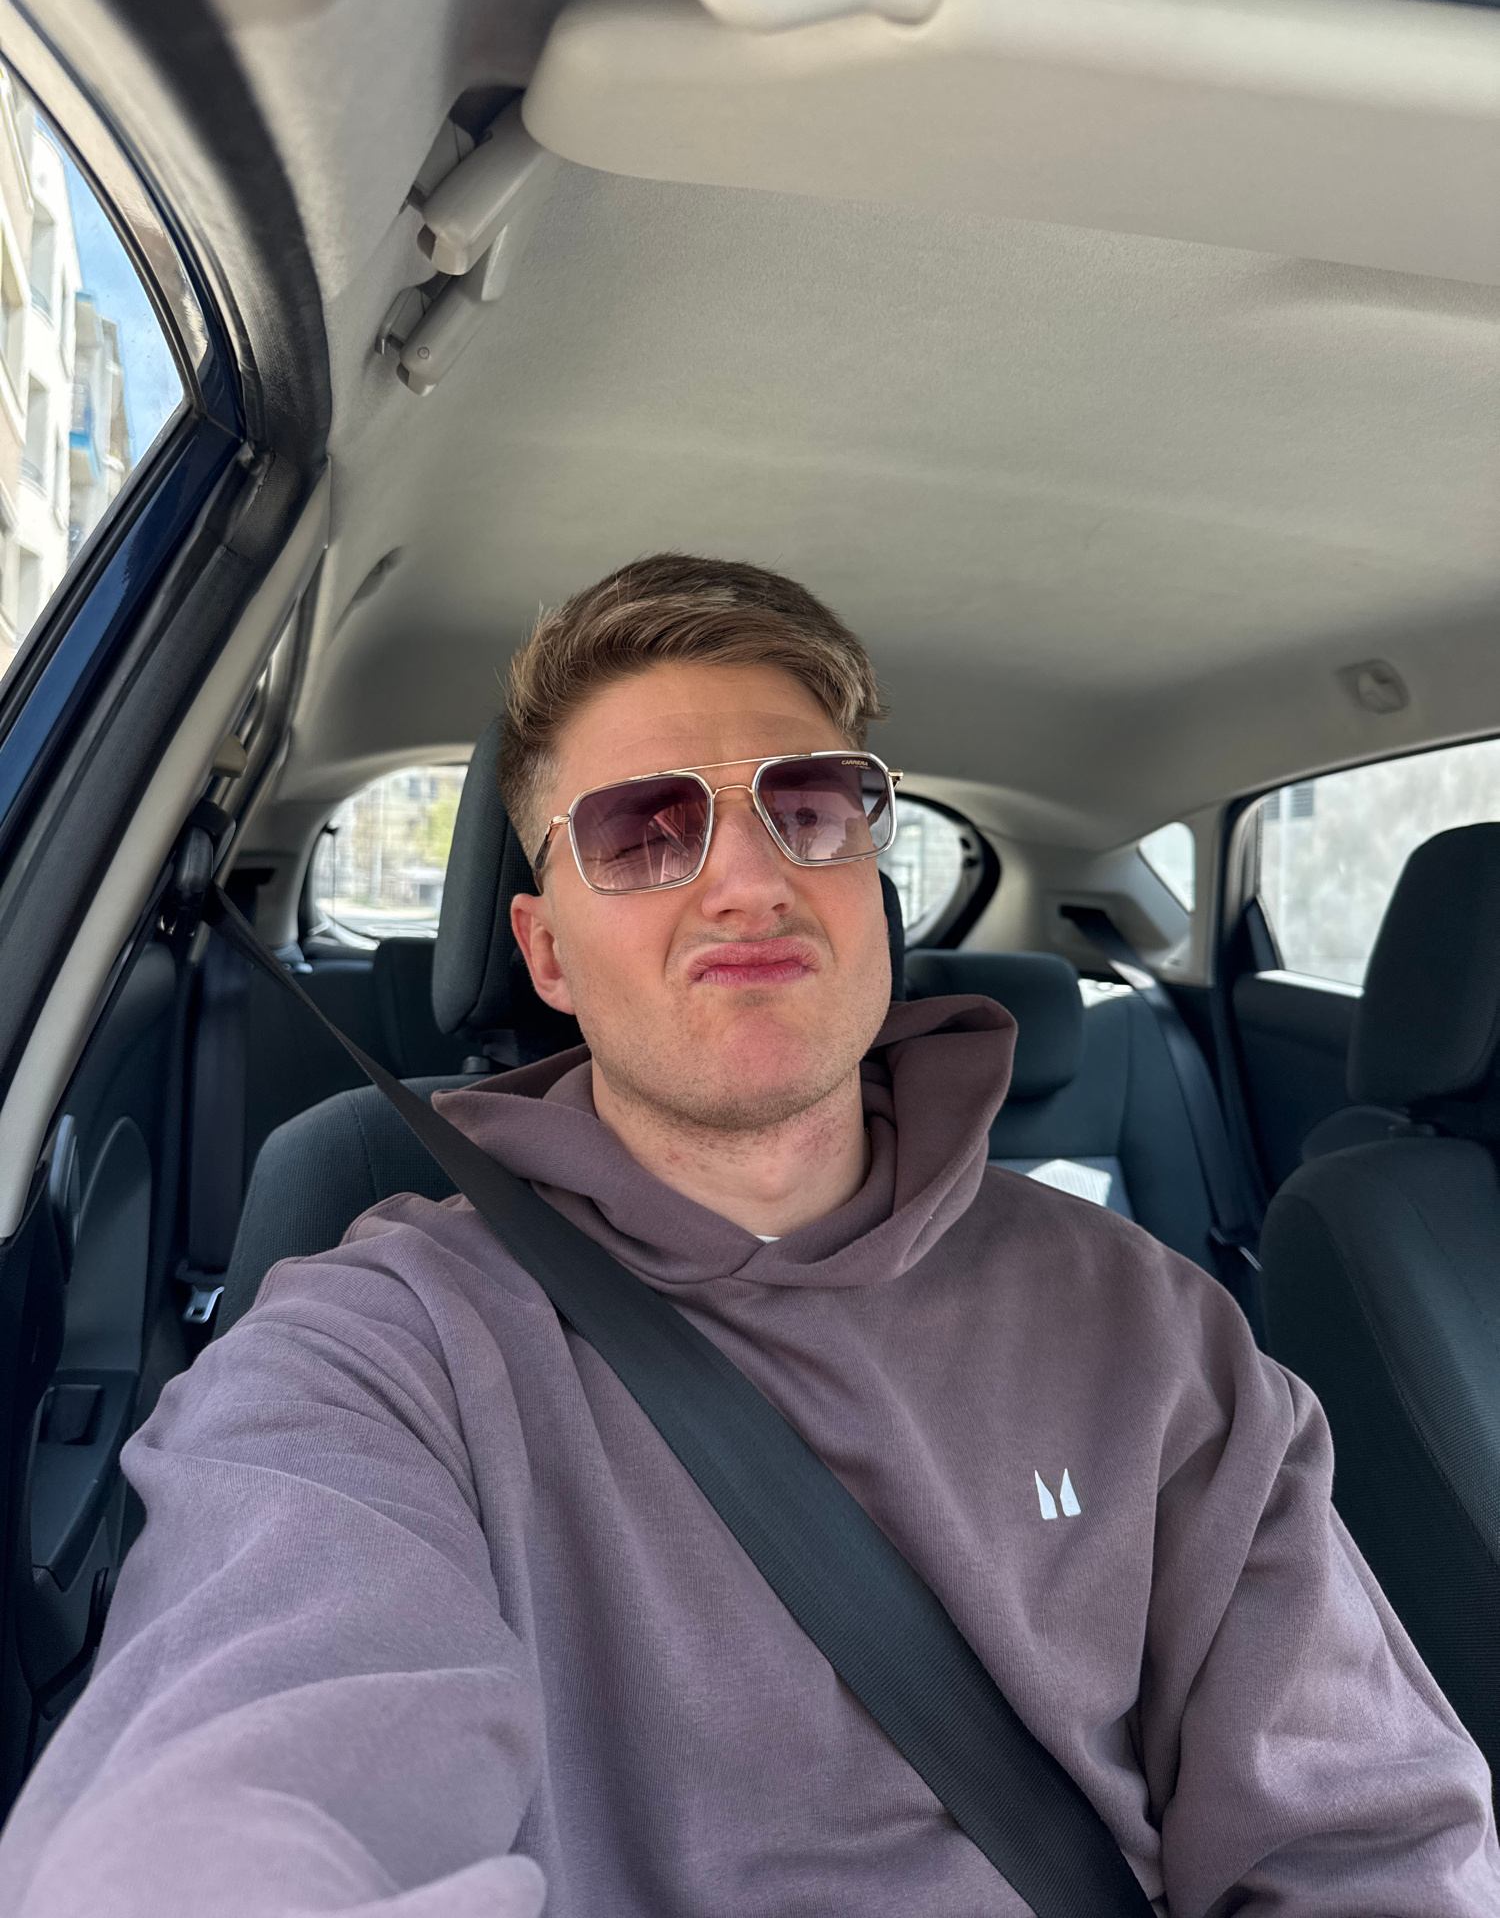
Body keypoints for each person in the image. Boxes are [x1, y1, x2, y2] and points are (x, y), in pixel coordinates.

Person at [1, 555, 1495, 1917]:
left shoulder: (1153, 1330)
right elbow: (237, 1783)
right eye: (643, 830)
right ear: (547, 952)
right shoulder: (385, 1349)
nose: (747, 875)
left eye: (811, 808)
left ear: (871, 885)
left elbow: (1374, 1847)